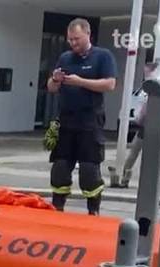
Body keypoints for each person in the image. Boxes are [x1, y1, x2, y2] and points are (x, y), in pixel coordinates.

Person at [47, 18, 117, 216]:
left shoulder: (103, 56)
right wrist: (55, 79)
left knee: (89, 169)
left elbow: (110, 84)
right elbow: (51, 88)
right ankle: (57, 207)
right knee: (60, 167)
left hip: (90, 121)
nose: (73, 43)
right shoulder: (65, 58)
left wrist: (80, 82)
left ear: (88, 34)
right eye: (70, 39)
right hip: (66, 120)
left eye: (76, 38)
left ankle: (93, 210)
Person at [117, 61, 159, 188]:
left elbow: (146, 105)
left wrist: (140, 118)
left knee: (135, 151)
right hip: (153, 123)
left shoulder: (151, 84)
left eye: (146, 71)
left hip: (147, 124)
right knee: (153, 151)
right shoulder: (155, 84)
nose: (145, 74)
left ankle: (124, 177)